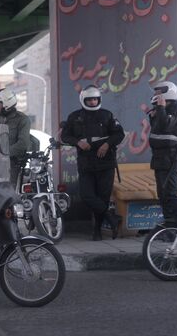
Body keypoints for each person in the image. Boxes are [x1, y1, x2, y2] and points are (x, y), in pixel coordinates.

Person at [61, 85, 124, 240]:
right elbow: (65, 136)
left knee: (102, 197)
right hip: (86, 163)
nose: (92, 102)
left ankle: (97, 231)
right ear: (83, 100)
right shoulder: (74, 117)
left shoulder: (107, 115)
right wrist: (77, 142)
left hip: (106, 163)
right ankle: (111, 217)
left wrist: (107, 144)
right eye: (89, 100)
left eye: (95, 99)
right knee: (87, 195)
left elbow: (119, 134)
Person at [148, 81, 177, 224]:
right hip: (159, 158)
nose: (155, 95)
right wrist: (153, 116)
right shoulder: (161, 109)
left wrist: (161, 110)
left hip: (171, 158)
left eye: (158, 92)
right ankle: (169, 226)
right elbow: (158, 130)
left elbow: (166, 126)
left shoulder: (174, 110)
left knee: (171, 193)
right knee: (162, 194)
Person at [0, 88, 31, 186]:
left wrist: (5, 154)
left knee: (10, 193)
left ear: (7, 103)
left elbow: (23, 144)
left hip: (14, 165)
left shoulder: (22, 119)